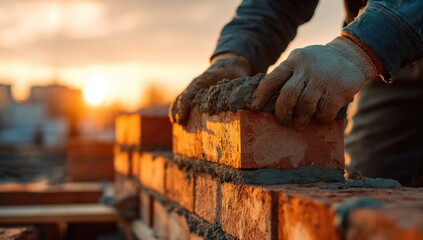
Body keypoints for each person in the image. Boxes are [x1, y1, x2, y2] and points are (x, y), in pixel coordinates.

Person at [170, 0, 423, 187]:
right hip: (395, 65)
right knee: (375, 187)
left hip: (382, 44)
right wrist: (236, 54)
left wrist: (359, 49)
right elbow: (279, 5)